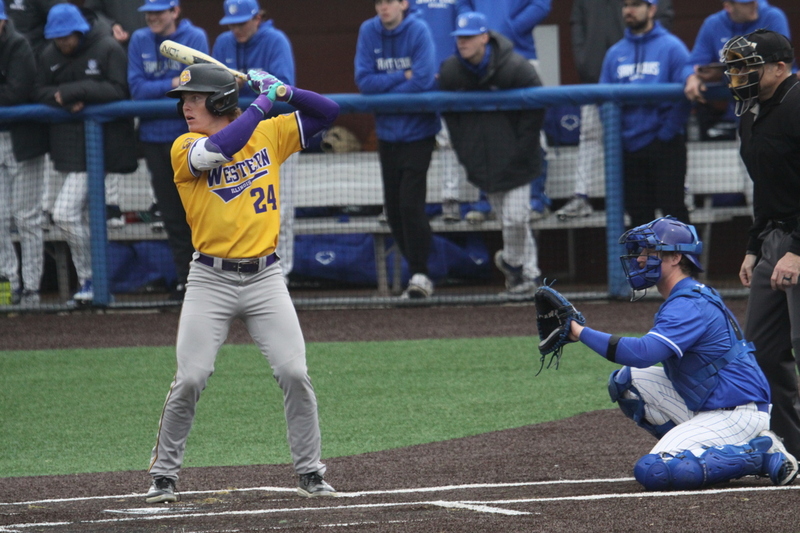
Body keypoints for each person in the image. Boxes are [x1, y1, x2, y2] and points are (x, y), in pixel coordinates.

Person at [144, 64, 340, 503]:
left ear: (219, 101)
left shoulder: (268, 133)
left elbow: (329, 112)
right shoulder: (185, 146)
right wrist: (264, 100)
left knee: (294, 372)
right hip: (209, 279)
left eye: (195, 99)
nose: (186, 106)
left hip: (265, 277)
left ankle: (310, 471)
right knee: (191, 377)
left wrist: (287, 90)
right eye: (184, 100)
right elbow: (219, 149)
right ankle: (163, 475)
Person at [568, 215, 798, 490]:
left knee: (654, 470)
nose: (640, 259)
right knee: (628, 382)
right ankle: (701, 447)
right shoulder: (685, 295)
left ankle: (761, 455)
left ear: (675, 257)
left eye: (649, 251)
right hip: (715, 402)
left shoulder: (688, 304)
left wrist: (579, 331)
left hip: (737, 412)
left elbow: (642, 353)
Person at [726, 30, 800, 460]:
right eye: (734, 66)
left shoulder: (796, 104)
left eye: (746, 65)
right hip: (773, 238)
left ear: (780, 67)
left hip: (797, 241)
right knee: (764, 350)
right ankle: (792, 447)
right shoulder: (750, 112)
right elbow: (766, 187)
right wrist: (755, 245)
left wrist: (797, 248)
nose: (738, 74)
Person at [34, 3, 137, 303]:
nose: (63, 41)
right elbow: (37, 91)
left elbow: (121, 90)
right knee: (81, 217)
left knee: (64, 213)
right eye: (58, 37)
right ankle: (91, 282)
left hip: (105, 145)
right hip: (70, 146)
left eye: (67, 36)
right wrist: (60, 99)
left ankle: (93, 277)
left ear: (79, 30)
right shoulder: (48, 54)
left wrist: (77, 91)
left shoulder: (106, 47)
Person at [438, 11, 543, 298]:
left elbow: (536, 110)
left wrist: (522, 152)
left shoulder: (515, 66)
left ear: (484, 37)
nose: (463, 43)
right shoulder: (451, 72)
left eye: (469, 37)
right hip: (483, 160)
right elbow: (451, 119)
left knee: (516, 218)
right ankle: (524, 276)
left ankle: (513, 263)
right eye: (459, 38)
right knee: (510, 220)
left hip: (518, 158)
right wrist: (467, 155)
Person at [355, 0, 440, 298]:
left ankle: (421, 273)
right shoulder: (368, 30)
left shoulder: (418, 29)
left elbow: (423, 80)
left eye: (390, 1)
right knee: (393, 210)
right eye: (379, 2)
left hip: (419, 132)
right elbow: (364, 81)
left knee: (409, 205)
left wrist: (389, 85)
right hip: (388, 134)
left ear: (404, 4)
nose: (383, 7)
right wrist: (400, 76)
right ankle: (417, 270)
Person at [561, 0, 674, 220]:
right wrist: (586, 64)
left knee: (659, 132)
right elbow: (578, 26)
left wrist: (648, 54)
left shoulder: (663, 38)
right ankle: (582, 195)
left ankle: (682, 191)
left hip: (643, 75)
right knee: (590, 134)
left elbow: (663, 15)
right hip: (597, 77)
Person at [212, 0, 298, 282]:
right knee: (238, 207)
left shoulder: (275, 40)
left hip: (274, 135)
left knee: (279, 207)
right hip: (237, 137)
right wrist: (228, 86)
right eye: (231, 23)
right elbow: (211, 93)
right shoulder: (224, 42)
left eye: (242, 22)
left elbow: (284, 90)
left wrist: (246, 83)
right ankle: (244, 268)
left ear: (258, 17)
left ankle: (280, 272)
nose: (236, 28)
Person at [128, 0, 208, 301]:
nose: (152, 17)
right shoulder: (139, 39)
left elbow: (197, 86)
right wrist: (175, 82)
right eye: (148, 12)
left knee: (198, 213)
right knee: (172, 216)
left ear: (175, 11)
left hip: (189, 138)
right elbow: (136, 89)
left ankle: (208, 281)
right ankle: (184, 281)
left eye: (159, 11)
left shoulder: (195, 36)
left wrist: (166, 86)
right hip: (152, 137)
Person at [599, 0, 690, 228]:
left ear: (652, 9)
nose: (629, 10)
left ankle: (684, 265)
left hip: (665, 145)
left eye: (637, 4)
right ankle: (647, 265)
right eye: (626, 5)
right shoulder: (614, 53)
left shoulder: (672, 47)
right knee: (639, 217)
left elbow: (686, 96)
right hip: (627, 149)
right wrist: (616, 137)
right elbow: (603, 100)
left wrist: (666, 134)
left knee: (673, 213)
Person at [0, 1, 47, 306]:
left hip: (24, 140)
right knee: (0, 217)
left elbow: (15, 94)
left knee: (27, 217)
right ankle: (7, 285)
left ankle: (31, 287)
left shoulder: (19, 45)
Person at [683, 1, 790, 109]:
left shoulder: (772, 16)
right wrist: (691, 76)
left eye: (753, 1)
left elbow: (782, 63)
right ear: (728, 6)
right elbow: (691, 65)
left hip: (774, 100)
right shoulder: (713, 23)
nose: (754, 5)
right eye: (746, 3)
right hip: (737, 107)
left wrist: (728, 73)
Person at [413, 0, 463, 223]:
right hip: (417, 76)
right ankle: (398, 200)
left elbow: (463, 30)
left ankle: (450, 198)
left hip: (449, 74)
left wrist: (452, 68)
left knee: (447, 140)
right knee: (409, 139)